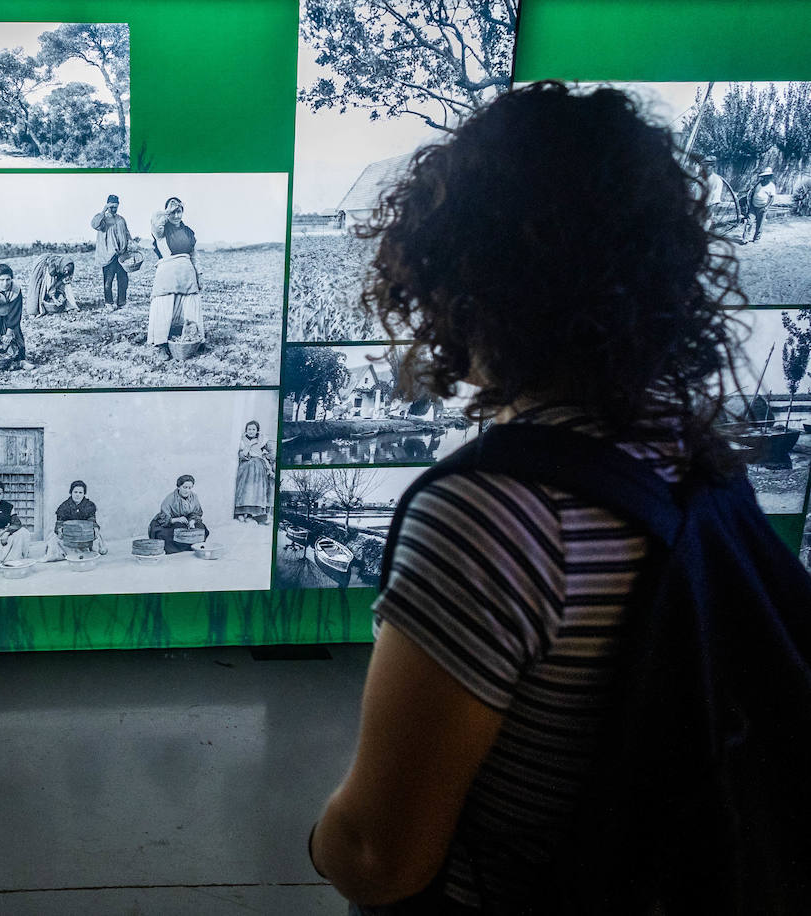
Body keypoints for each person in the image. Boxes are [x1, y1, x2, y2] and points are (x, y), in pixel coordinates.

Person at [307, 82, 747, 912]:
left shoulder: (497, 511)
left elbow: (378, 856)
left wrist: (321, 839)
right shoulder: (694, 447)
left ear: (457, 270)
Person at [147, 197, 204, 360]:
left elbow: (194, 255)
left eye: (179, 211)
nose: (176, 215)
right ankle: (160, 345)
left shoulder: (188, 232)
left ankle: (192, 340)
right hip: (167, 273)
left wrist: (199, 275)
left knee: (189, 306)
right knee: (165, 307)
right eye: (173, 212)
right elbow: (156, 221)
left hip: (187, 273)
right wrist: (166, 212)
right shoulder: (161, 230)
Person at [42, 480, 107, 561]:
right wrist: (60, 530)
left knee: (96, 542)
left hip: (84, 534)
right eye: (75, 492)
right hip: (69, 534)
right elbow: (59, 522)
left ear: (84, 494)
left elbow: (92, 520)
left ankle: (84, 551)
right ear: (71, 492)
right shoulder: (64, 506)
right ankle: (67, 553)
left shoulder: (89, 505)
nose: (77, 495)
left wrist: (95, 529)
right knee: (54, 541)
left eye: (80, 492)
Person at [148, 474, 210, 553]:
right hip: (170, 522)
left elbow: (196, 512)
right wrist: (177, 519)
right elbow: (164, 516)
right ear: (179, 487)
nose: (187, 490)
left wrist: (192, 521)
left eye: (189, 488)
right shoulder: (170, 498)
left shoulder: (194, 497)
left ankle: (190, 545)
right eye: (184, 487)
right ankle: (178, 547)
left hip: (186, 521)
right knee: (164, 534)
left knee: (201, 528)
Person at [91, 194, 131, 309]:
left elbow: (127, 233)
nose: (114, 209)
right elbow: (94, 224)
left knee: (123, 279)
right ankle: (109, 303)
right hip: (109, 256)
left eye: (115, 206)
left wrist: (131, 242)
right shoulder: (102, 219)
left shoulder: (121, 219)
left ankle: (121, 303)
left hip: (122, 255)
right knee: (108, 281)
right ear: (108, 205)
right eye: (111, 206)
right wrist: (104, 210)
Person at [233, 420, 275, 523]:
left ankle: (252, 514)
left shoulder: (262, 440)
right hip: (245, 467)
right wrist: (249, 445)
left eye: (253, 429)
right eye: (249, 429)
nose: (251, 431)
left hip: (259, 468)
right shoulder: (242, 441)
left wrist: (266, 456)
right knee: (244, 489)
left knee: (257, 490)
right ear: (246, 430)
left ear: (257, 431)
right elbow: (241, 455)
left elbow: (273, 452)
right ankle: (241, 512)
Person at [744, 166, 777, 243]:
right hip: (753, 206)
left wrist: (767, 207)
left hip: (763, 207)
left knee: (760, 224)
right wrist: (749, 204)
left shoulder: (771, 186)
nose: (766, 178)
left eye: (768, 177)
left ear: (770, 177)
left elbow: (772, 198)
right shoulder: (758, 184)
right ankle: (745, 237)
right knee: (749, 222)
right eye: (764, 176)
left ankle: (757, 238)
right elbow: (751, 193)